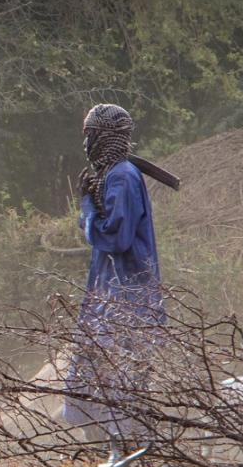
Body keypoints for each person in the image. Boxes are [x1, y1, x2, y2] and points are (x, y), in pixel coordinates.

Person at [63, 103, 167, 438]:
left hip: (125, 303)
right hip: (113, 300)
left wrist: (88, 206)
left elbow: (116, 237)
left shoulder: (121, 177)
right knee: (93, 394)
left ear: (103, 137)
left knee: (116, 396)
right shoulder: (114, 174)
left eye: (89, 135)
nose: (85, 144)